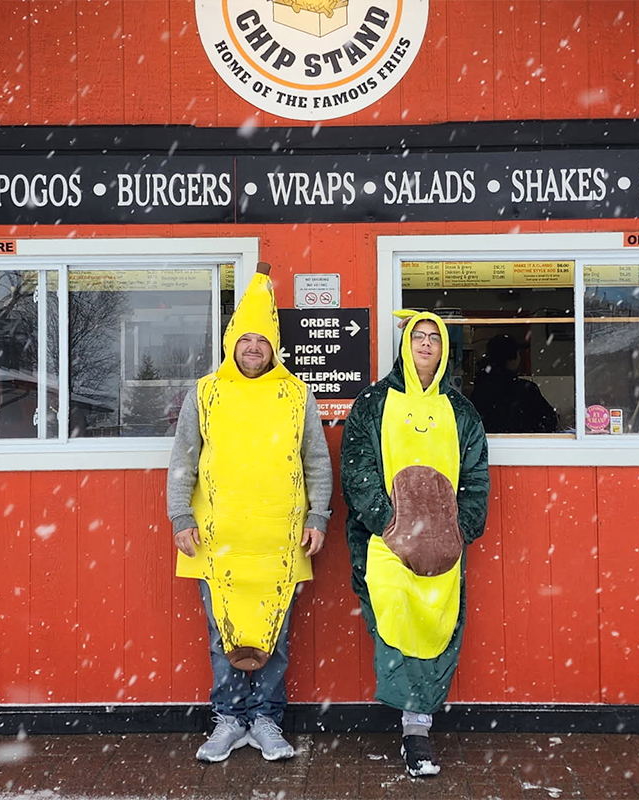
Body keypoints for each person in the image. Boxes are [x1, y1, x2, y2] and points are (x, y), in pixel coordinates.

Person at [167, 262, 332, 763]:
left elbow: (317, 461)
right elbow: (183, 461)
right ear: (231, 344)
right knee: (224, 633)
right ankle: (229, 718)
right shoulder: (205, 393)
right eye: (245, 340)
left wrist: (318, 517)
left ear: (273, 347)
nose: (253, 349)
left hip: (279, 541)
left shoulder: (296, 395)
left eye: (262, 341)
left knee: (274, 633)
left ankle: (265, 719)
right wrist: (181, 517)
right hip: (217, 538)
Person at [340, 311, 489, 778]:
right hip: (385, 544)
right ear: (405, 346)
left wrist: (457, 529)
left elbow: (476, 476)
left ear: (446, 349)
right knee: (394, 622)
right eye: (418, 337)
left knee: (436, 625)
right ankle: (412, 725)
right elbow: (357, 467)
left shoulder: (461, 411)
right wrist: (389, 524)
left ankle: (417, 728)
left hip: (443, 549)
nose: (425, 345)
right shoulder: (373, 403)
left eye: (434, 339)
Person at [469, 334, 558, 433]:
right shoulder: (526, 390)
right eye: (518, 354)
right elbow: (549, 421)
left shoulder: (481, 389)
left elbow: (473, 424)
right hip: (523, 444)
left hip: (490, 444)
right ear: (512, 359)